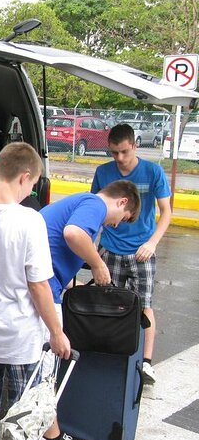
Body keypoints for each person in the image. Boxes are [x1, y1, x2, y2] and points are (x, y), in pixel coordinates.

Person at [0, 142, 91, 440]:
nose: (29, 190)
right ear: (24, 176)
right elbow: (39, 286)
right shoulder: (31, 221)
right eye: (31, 184)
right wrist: (57, 332)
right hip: (23, 336)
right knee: (27, 412)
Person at [91, 123, 172, 384]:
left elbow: (166, 212)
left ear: (135, 145)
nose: (120, 159)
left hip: (142, 252)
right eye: (114, 153)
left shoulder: (153, 171)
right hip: (111, 249)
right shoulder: (103, 172)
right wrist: (93, 245)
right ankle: (110, 355)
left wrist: (152, 243)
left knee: (144, 305)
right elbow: (93, 209)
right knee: (110, 303)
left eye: (125, 152)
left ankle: (146, 363)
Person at [41, 180, 142, 305]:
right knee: (55, 325)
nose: (116, 225)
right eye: (123, 218)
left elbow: (55, 257)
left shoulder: (83, 201)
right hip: (43, 284)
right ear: (122, 202)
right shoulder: (96, 204)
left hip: (41, 279)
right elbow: (73, 233)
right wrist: (98, 265)